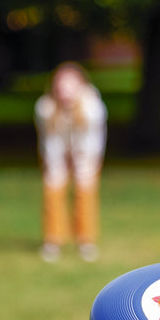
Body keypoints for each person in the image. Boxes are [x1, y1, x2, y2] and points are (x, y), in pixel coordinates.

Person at [34, 61, 107, 262]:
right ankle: (53, 240)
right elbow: (50, 140)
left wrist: (80, 160)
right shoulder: (45, 107)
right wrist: (58, 162)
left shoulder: (92, 107)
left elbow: (92, 140)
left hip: (86, 153)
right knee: (53, 188)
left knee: (85, 191)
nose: (65, 90)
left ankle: (86, 240)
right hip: (56, 153)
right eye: (61, 85)